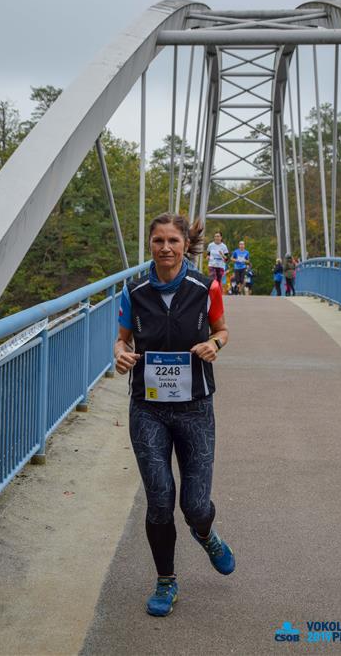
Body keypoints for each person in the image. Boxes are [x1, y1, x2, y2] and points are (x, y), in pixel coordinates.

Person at [114, 212, 235, 617]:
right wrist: (120, 354)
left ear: (185, 245)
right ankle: (166, 581)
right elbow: (122, 339)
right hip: (147, 408)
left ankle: (206, 534)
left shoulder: (206, 287)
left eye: (173, 241)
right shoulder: (134, 291)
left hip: (195, 407)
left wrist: (215, 345)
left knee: (195, 505)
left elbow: (222, 330)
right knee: (160, 499)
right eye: (158, 241)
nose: (165, 248)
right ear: (150, 244)